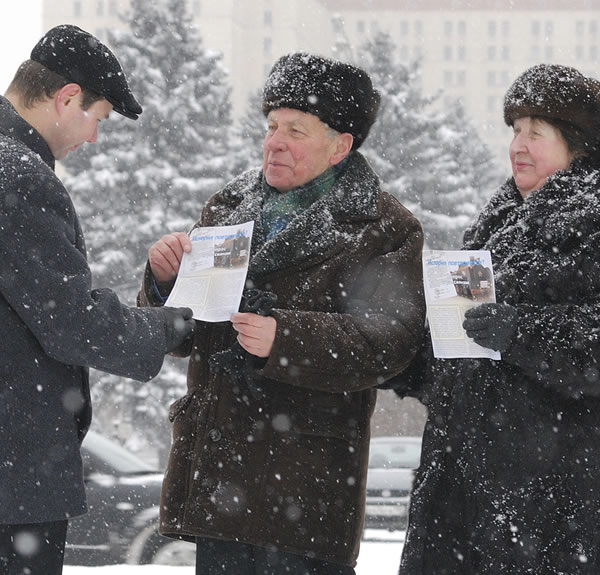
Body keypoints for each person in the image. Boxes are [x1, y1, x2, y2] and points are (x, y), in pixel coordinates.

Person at [138, 52, 426, 574]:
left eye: (296, 130)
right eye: (272, 126)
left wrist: (284, 339)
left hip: (304, 488)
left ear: (340, 146)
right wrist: (164, 283)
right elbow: (186, 333)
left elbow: (391, 342)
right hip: (218, 478)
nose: (274, 141)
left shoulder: (383, 227)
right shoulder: (228, 207)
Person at [388, 64, 600, 574]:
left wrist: (522, 332)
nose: (518, 146)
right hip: (460, 495)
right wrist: (407, 354)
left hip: (551, 504)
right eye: (515, 131)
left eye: (536, 133)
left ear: (577, 147)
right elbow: (462, 360)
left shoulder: (592, 224)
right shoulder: (494, 228)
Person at [0, 25, 196, 575]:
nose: (93, 139)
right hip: (14, 476)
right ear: (67, 98)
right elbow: (70, 320)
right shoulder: (17, 175)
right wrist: (171, 328)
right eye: (99, 119)